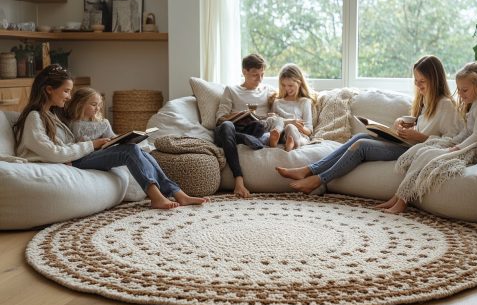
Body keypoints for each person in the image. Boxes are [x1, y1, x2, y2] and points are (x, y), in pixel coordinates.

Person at [13, 64, 208, 210]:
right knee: (128, 152)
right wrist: (92, 144)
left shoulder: (52, 115)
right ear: (48, 89)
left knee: (137, 149)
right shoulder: (34, 117)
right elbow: (53, 152)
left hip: (76, 157)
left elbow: (64, 145)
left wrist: (101, 143)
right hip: (71, 162)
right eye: (65, 91)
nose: (69, 96)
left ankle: (177, 193)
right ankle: (156, 196)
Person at [276, 55, 463, 195]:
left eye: (422, 82)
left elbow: (452, 141)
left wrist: (419, 137)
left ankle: (317, 179)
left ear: (435, 80)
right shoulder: (426, 102)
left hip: (415, 151)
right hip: (408, 144)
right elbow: (426, 124)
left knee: (362, 146)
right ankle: (308, 170)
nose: (418, 86)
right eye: (416, 81)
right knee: (359, 137)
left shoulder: (445, 105)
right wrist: (404, 124)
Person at [378, 61, 477, 213]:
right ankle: (398, 196)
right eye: (459, 90)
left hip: (471, 150)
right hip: (464, 143)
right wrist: (452, 141)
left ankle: (402, 202)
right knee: (424, 150)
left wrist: (457, 147)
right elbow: (467, 132)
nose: (460, 95)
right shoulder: (476, 103)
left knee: (430, 155)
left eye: (464, 90)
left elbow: (476, 136)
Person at [214, 53, 283, 198]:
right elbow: (220, 118)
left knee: (261, 125)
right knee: (226, 126)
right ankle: (238, 180)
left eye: (262, 74)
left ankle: (249, 138)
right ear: (244, 72)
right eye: (255, 75)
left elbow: (278, 113)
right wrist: (242, 113)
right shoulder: (231, 90)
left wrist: (270, 117)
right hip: (231, 131)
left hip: (255, 129)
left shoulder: (268, 91)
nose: (260, 79)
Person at [271, 63, 315, 151]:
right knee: (283, 127)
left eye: (290, 85)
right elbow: (273, 123)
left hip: (300, 136)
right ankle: (284, 144)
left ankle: (292, 145)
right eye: (284, 85)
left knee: (290, 127)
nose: (287, 88)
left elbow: (309, 131)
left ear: (299, 82)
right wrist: (289, 122)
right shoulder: (277, 102)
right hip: (281, 136)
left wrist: (298, 126)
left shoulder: (304, 102)